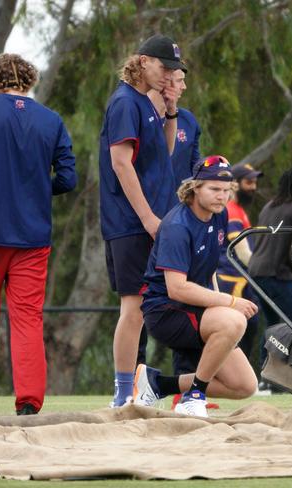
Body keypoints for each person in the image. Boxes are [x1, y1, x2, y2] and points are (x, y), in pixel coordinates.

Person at [0, 53, 77, 419]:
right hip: (33, 237)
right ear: (30, 81)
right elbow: (68, 179)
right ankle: (28, 405)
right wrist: (36, 189)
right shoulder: (51, 120)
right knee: (27, 320)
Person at [133, 155, 258, 417]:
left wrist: (218, 301)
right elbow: (177, 289)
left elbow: (209, 268)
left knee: (245, 386)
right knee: (234, 321)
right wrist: (230, 302)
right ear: (195, 187)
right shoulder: (177, 225)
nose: (221, 196)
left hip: (196, 308)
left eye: (226, 190)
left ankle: (156, 384)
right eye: (214, 189)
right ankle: (194, 396)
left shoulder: (219, 216)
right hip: (166, 311)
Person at [98, 34, 185, 407]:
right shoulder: (124, 102)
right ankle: (122, 393)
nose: (169, 75)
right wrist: (148, 217)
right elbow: (120, 163)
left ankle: (135, 389)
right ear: (144, 61)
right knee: (133, 309)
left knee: (146, 309)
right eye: (164, 67)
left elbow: (162, 154)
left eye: (174, 70)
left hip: (153, 220)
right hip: (132, 222)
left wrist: (170, 110)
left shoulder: (146, 102)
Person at [139, 68, 201, 366]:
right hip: (147, 221)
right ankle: (134, 376)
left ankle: (187, 384)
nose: (183, 86)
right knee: (137, 299)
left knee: (185, 298)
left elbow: (195, 170)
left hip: (179, 224)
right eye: (178, 80)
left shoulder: (188, 120)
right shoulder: (140, 114)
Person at [248, 167, 292, 385]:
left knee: (273, 324)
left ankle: (265, 377)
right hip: (277, 273)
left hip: (255, 272)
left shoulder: (269, 207)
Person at [216, 163, 263, 360]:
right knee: (240, 331)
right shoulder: (233, 211)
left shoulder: (238, 209)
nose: (253, 187)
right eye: (248, 182)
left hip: (239, 281)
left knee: (246, 331)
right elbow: (243, 253)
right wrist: (263, 270)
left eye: (254, 182)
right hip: (232, 282)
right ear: (234, 184)